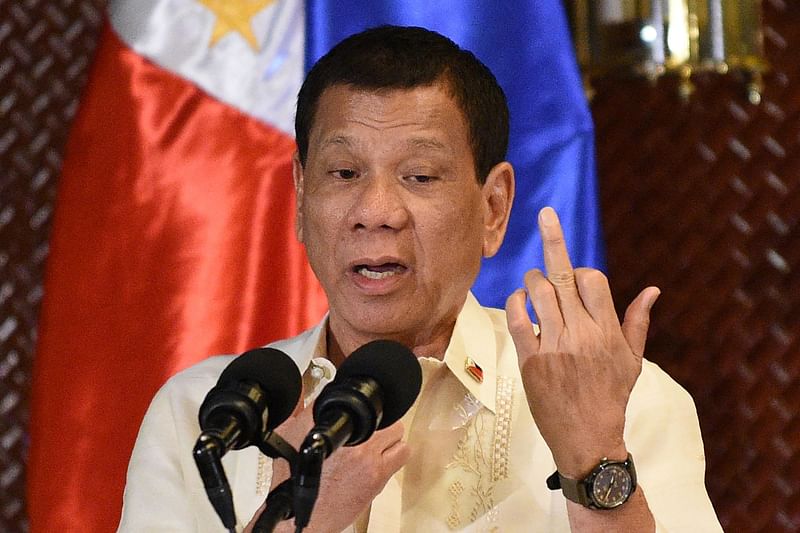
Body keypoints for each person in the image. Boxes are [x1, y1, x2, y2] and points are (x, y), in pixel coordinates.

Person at [118, 25, 721, 532]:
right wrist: (303, 517)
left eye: (420, 176)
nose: (376, 210)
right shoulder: (207, 417)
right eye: (345, 171)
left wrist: (595, 461)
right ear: (301, 198)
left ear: (493, 208)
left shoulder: (621, 403)